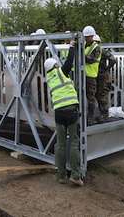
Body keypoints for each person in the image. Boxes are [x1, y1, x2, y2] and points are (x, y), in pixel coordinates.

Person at [44, 40, 83, 186]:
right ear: (55, 65)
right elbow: (69, 62)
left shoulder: (50, 78)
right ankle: (75, 175)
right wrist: (72, 46)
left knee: (60, 144)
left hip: (59, 113)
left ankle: (61, 176)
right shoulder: (61, 72)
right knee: (73, 143)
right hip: (71, 111)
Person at [94, 35, 116, 122]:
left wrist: (106, 68)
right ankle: (102, 115)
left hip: (104, 77)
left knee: (102, 96)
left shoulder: (101, 51)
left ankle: (104, 116)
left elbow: (113, 60)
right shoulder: (98, 51)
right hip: (100, 76)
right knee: (99, 96)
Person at [82, 26, 102, 125]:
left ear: (92, 36)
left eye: (88, 37)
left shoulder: (96, 47)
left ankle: (90, 117)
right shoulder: (84, 45)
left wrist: (81, 55)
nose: (86, 38)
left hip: (91, 76)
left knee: (90, 98)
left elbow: (91, 59)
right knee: (81, 96)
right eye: (85, 37)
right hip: (82, 75)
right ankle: (82, 116)